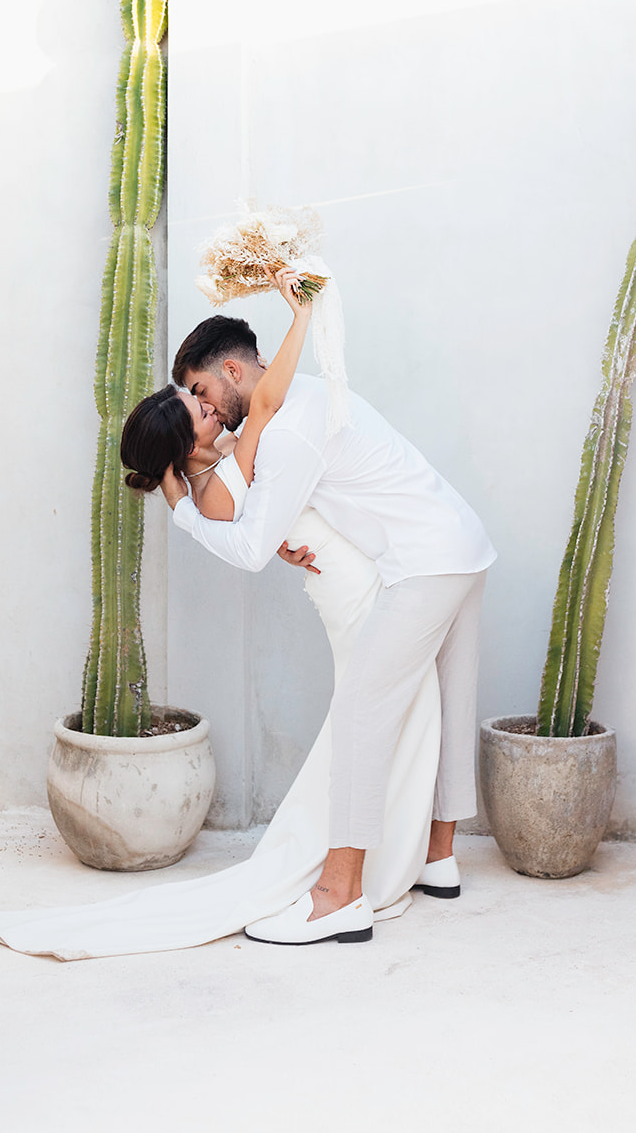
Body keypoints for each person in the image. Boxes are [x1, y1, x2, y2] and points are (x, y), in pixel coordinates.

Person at [167, 291, 495, 947]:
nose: (206, 408)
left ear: (232, 372)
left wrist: (178, 503)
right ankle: (438, 860)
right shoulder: (307, 396)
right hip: (461, 541)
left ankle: (339, 895)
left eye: (202, 390)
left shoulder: (284, 431)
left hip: (424, 563)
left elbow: (248, 548)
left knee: (359, 712)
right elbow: (285, 499)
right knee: (449, 704)